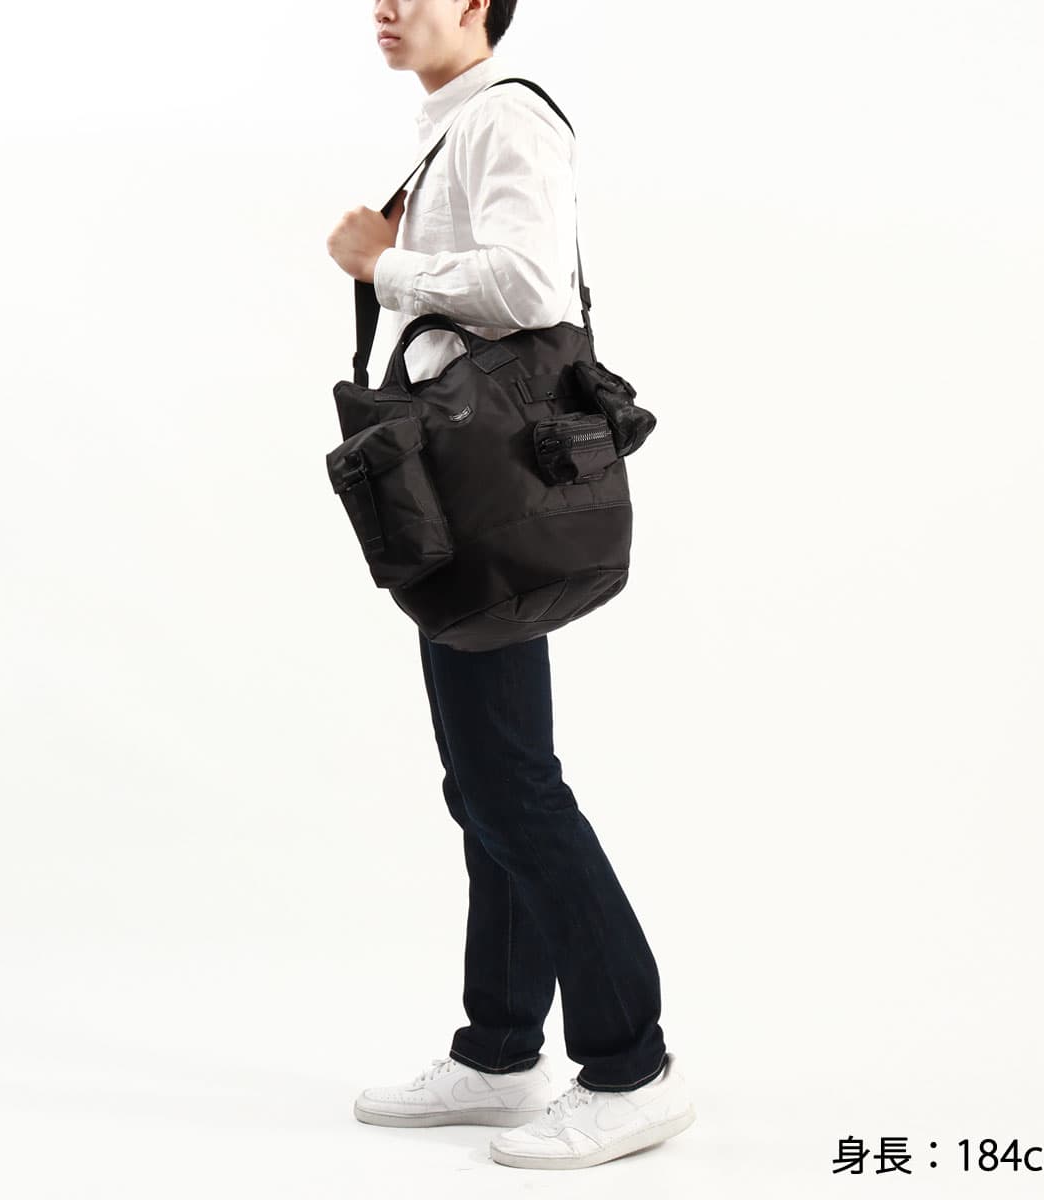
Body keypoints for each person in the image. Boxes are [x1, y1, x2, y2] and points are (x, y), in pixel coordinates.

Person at [325, 0, 695, 1170]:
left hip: (487, 493)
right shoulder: (451, 128)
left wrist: (384, 263)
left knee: (511, 783)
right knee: (486, 779)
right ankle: (498, 1050)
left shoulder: (506, 119)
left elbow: (532, 286)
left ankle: (632, 1064)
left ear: (480, 5)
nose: (387, 8)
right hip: (458, 491)